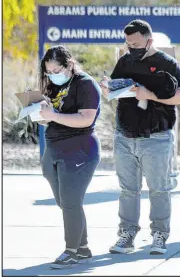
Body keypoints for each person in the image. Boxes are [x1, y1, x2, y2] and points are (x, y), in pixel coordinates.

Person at [100, 20, 180, 254]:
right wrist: (107, 88)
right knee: (128, 190)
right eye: (128, 44)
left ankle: (159, 234)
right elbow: (114, 86)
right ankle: (126, 235)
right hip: (125, 135)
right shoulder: (125, 61)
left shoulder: (166, 63)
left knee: (159, 189)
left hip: (156, 137)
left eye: (136, 44)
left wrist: (150, 95)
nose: (132, 48)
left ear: (150, 40)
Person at [39, 45, 101, 269]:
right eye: (49, 72)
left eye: (57, 70)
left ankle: (71, 251)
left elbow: (85, 119)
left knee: (71, 202)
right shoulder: (54, 86)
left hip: (80, 148)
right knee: (65, 202)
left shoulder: (85, 84)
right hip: (54, 148)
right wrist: (41, 113)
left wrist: (53, 115)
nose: (53, 75)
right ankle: (83, 248)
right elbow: (52, 118)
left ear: (69, 65)